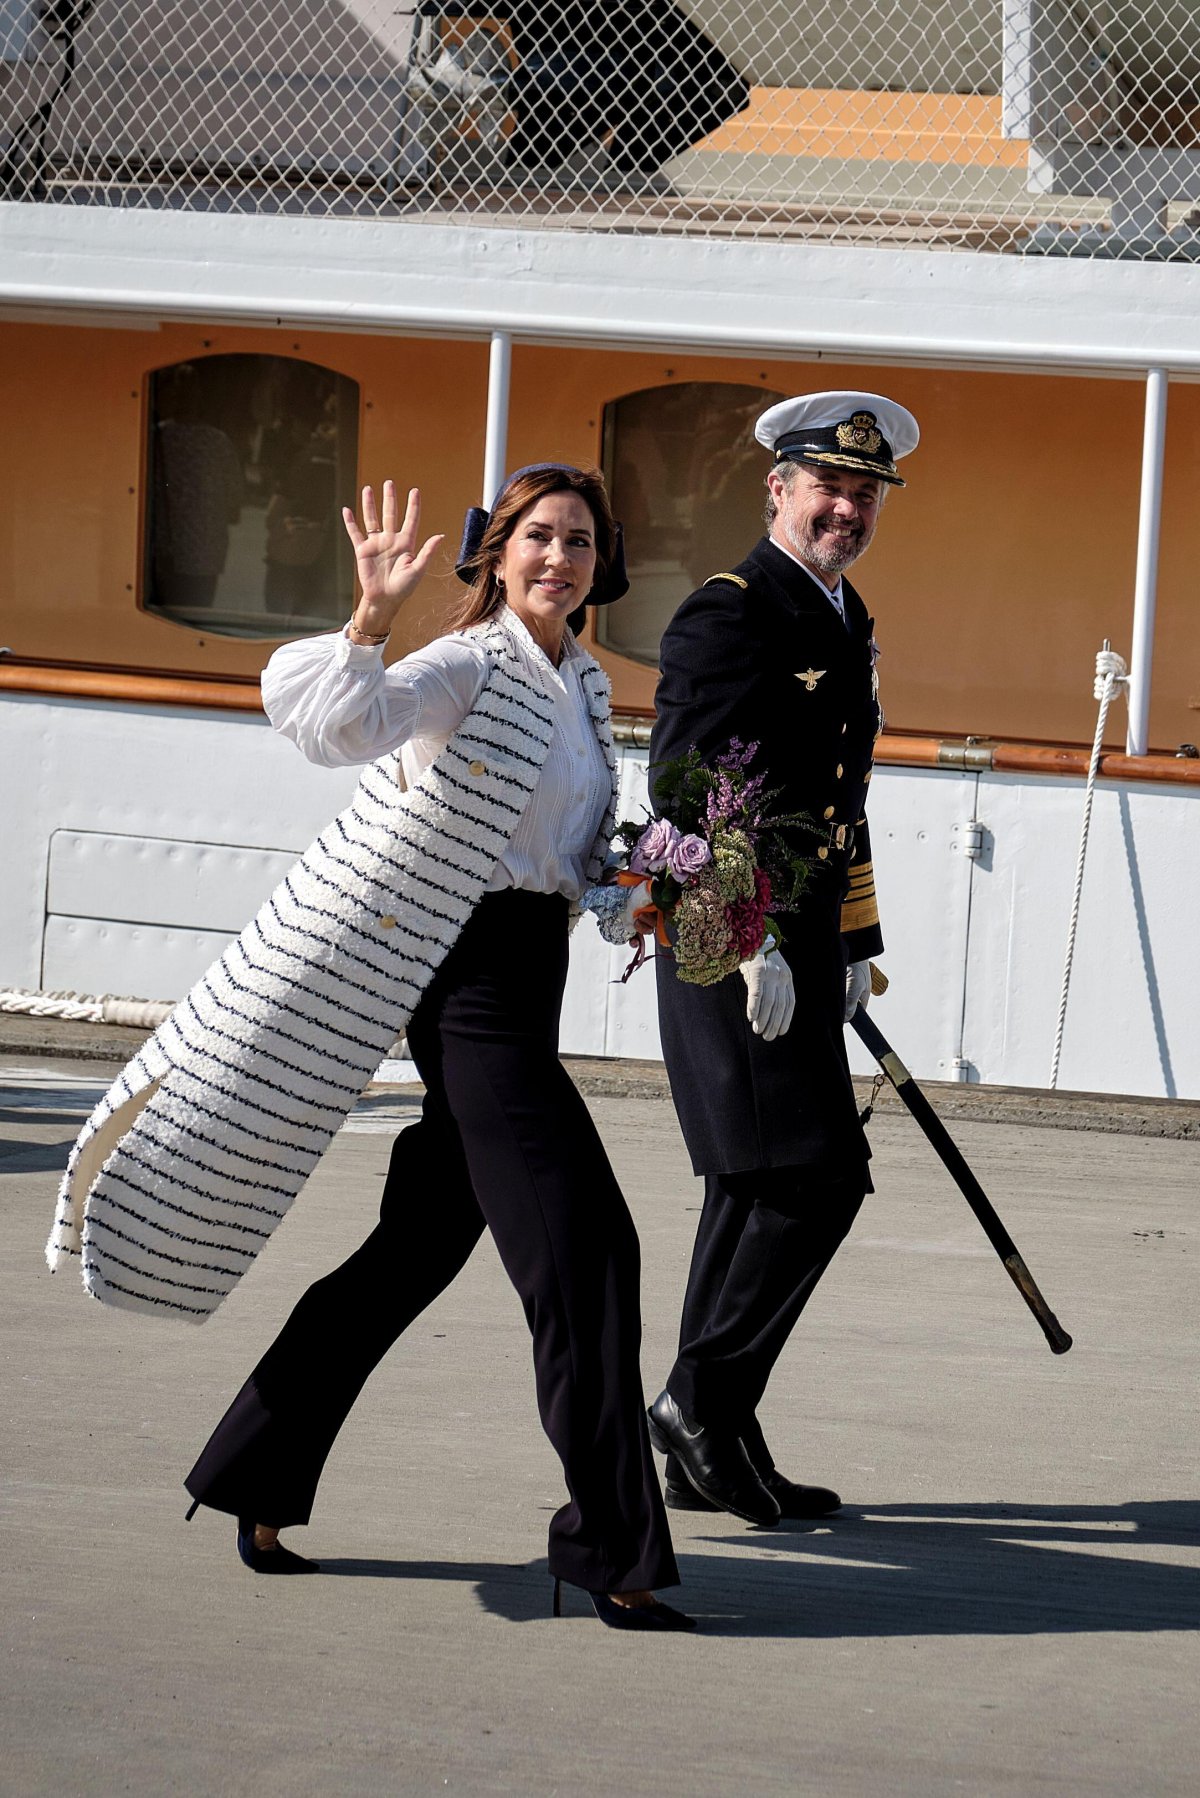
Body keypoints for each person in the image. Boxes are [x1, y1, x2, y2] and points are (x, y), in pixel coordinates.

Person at [48, 461, 690, 1631]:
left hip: (527, 972)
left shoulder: (587, 687)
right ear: (495, 555)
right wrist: (368, 618)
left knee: (410, 1256)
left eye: (582, 541)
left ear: (606, 566)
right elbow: (337, 726)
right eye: (538, 537)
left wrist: (650, 887)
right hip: (468, 993)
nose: (560, 557)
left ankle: (254, 1471)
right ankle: (613, 1550)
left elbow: (574, 854)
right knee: (590, 1252)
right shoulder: (467, 663)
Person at [644, 391, 919, 1527]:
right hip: (727, 938)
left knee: (753, 1184)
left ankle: (713, 1443)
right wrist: (746, 934)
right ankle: (698, 1401)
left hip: (801, 944)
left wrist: (854, 942)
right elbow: (690, 787)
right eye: (827, 486)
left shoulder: (845, 616)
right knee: (817, 1183)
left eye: (864, 494)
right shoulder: (733, 612)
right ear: (777, 489)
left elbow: (838, 801)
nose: (846, 507)